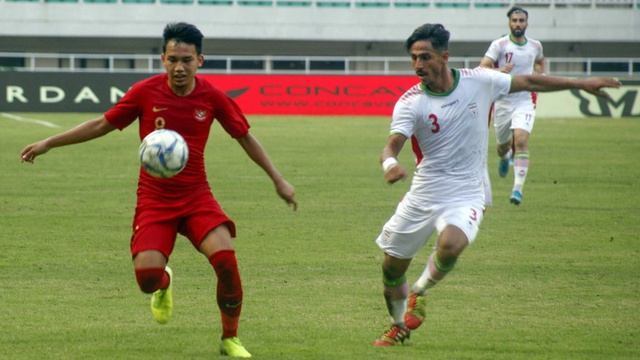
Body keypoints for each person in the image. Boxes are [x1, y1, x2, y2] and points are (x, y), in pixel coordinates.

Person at [20, 22, 297, 358]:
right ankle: (163, 282)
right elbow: (101, 124)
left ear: (200, 61)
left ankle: (230, 338)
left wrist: (277, 179)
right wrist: (50, 142)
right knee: (147, 279)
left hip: (197, 196)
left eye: (187, 60)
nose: (179, 67)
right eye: (172, 59)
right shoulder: (145, 92)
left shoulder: (212, 97)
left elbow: (244, 137)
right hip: (154, 200)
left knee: (225, 259)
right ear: (163, 59)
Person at [373, 23, 619, 346]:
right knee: (391, 269)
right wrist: (390, 164)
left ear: (444, 57)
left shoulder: (480, 81)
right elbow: (392, 144)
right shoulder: (410, 102)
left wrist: (581, 83)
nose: (418, 65)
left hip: (467, 190)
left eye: (426, 57)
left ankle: (420, 292)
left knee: (451, 246)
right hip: (424, 191)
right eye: (414, 58)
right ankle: (397, 324)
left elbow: (529, 80)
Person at [479, 6, 547, 205]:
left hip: (524, 100)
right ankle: (504, 157)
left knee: (521, 141)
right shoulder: (499, 45)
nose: (518, 24)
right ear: (509, 23)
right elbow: (482, 67)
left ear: (527, 23)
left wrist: (540, 76)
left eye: (521, 21)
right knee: (503, 147)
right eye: (515, 21)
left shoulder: (535, 46)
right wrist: (500, 70)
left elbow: (541, 61)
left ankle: (517, 189)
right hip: (503, 101)